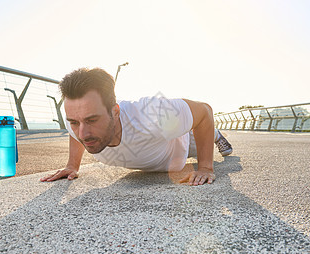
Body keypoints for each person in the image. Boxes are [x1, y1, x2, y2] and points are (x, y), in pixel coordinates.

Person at [40, 68, 233, 186]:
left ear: (115, 112)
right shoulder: (74, 120)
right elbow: (75, 134)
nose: (82, 133)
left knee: (198, 129)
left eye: (92, 120)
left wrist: (206, 167)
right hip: (149, 158)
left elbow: (205, 111)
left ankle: (217, 136)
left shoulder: (152, 114)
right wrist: (72, 165)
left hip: (176, 146)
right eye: (75, 122)